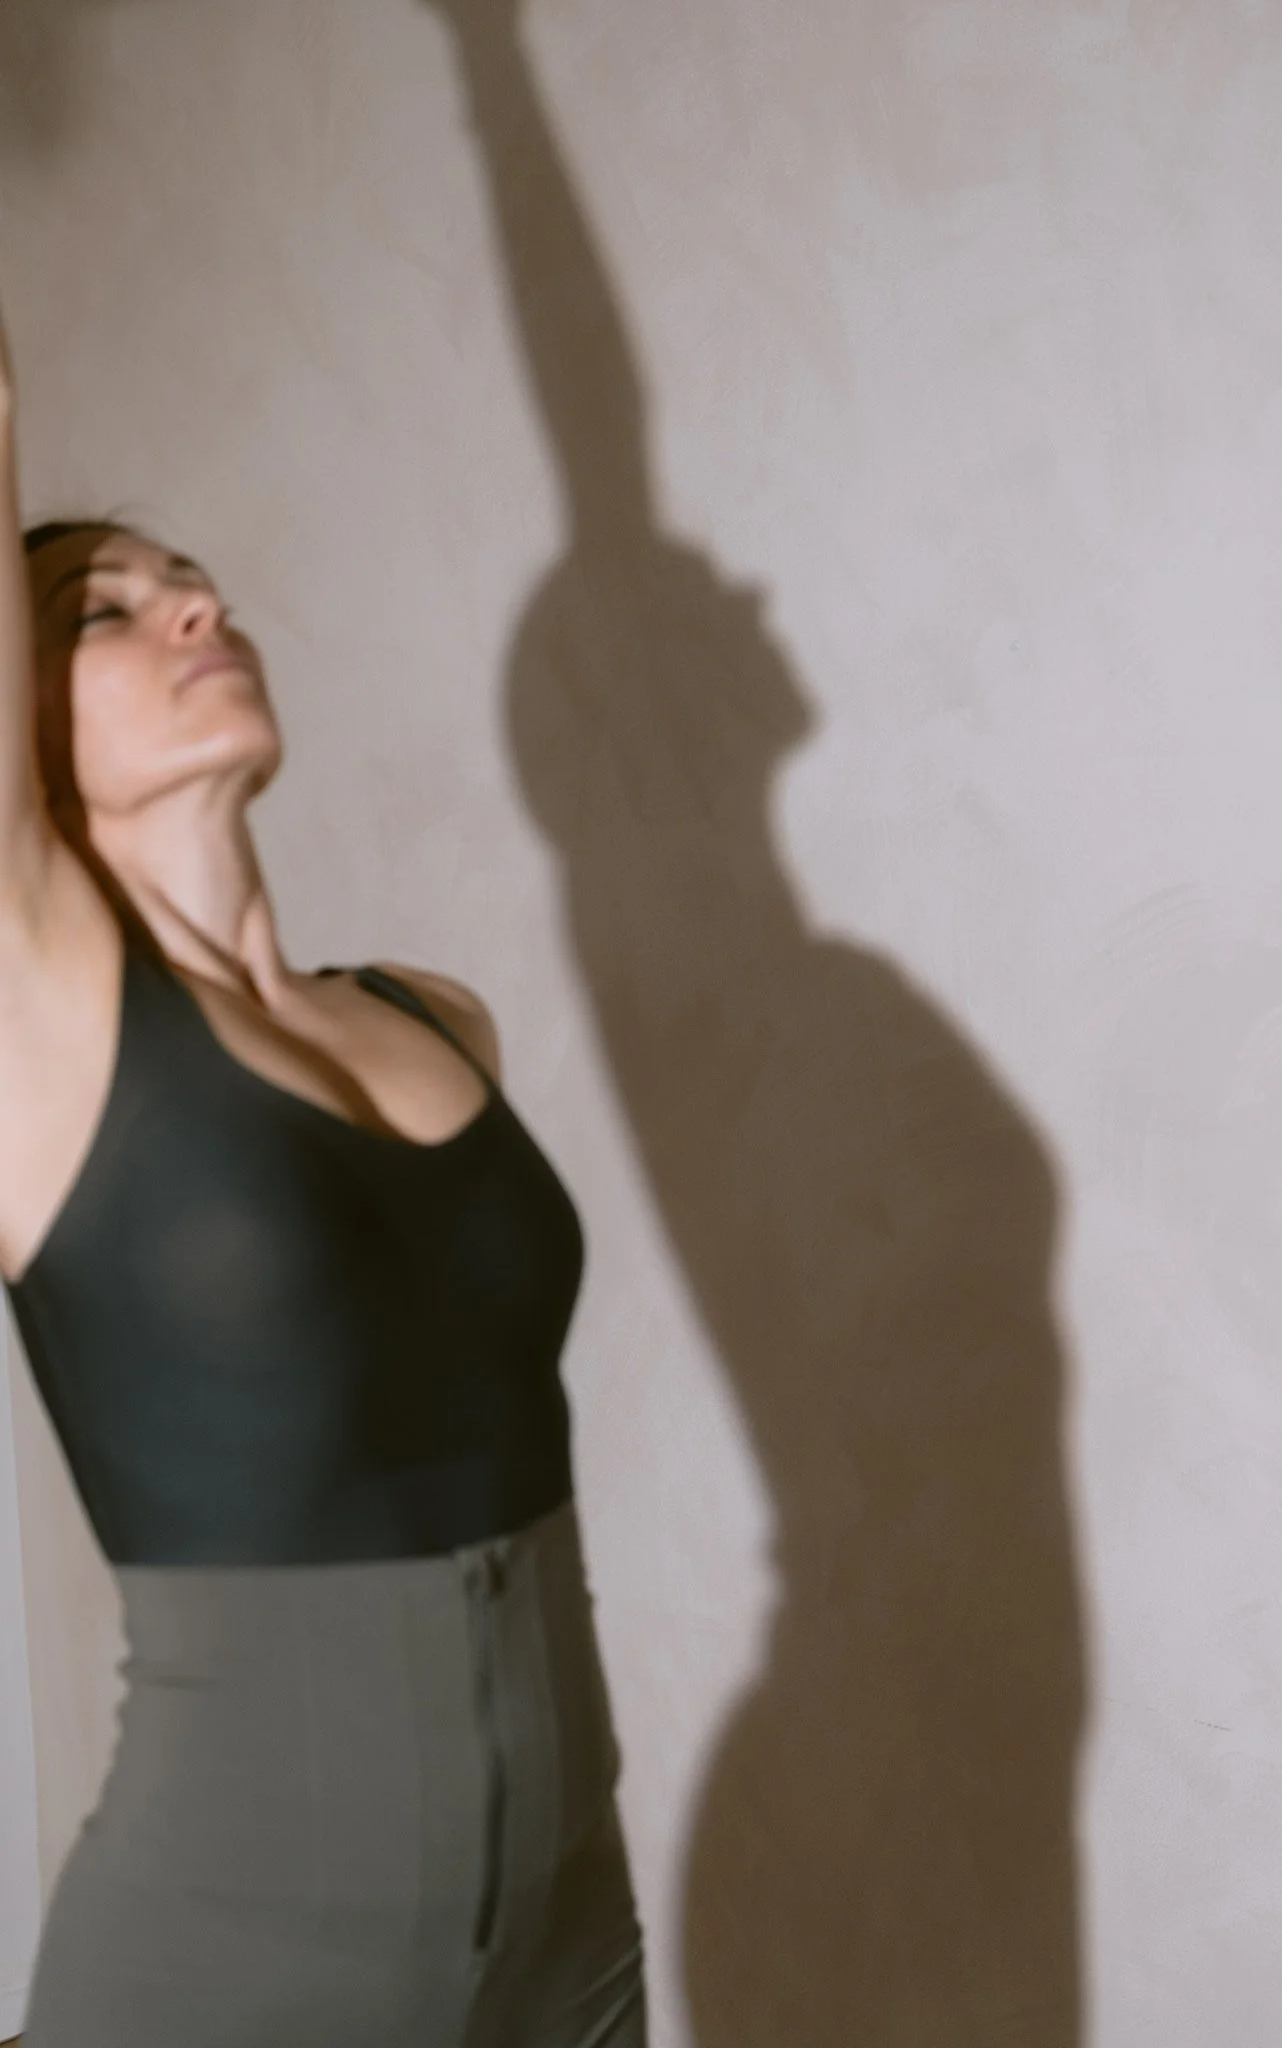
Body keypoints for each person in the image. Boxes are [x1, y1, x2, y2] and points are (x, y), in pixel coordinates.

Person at [0, 295, 646, 2046]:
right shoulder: (41, 1029)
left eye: (191, 581)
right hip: (229, 1966)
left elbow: (620, 503)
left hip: (571, 1943)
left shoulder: (434, 1019)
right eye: (104, 612)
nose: (193, 608)